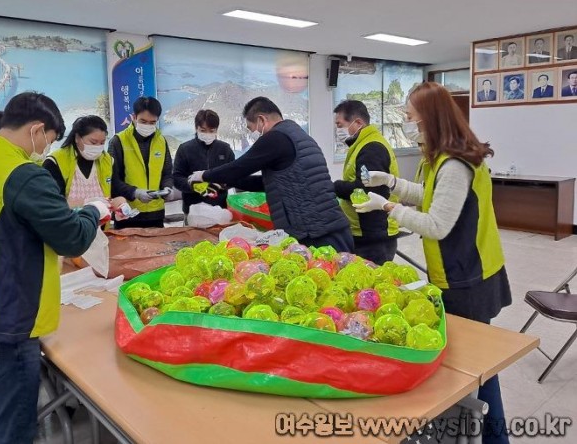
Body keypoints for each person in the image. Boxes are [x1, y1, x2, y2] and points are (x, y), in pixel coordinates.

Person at [0, 92, 111, 443]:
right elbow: (71, 239)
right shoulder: (23, 174)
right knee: (12, 430)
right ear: (37, 130)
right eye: (50, 140)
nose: (45, 149)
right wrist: (94, 211)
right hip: (2, 322)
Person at [354, 82, 512, 444]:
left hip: (468, 278)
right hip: (465, 272)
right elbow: (432, 197)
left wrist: (387, 207)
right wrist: (391, 183)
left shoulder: (454, 164)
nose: (408, 123)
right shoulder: (445, 158)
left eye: (411, 117)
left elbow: (437, 225)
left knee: (477, 371)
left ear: (430, 118)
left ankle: (495, 437)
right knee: (476, 368)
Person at [188, 97, 354, 252]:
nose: (252, 135)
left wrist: (204, 175)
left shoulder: (276, 137)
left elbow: (240, 166)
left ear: (261, 120)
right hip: (330, 228)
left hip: (317, 234)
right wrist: (230, 183)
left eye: (250, 129)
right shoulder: (296, 135)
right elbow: (271, 183)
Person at [332, 100, 399, 265]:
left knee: (370, 285)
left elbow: (368, 191)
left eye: (340, 125)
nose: (337, 130)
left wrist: (336, 187)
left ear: (358, 123)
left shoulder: (371, 148)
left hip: (373, 236)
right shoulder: (362, 144)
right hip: (365, 231)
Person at [108, 96, 175, 228]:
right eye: (143, 121)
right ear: (134, 117)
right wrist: (136, 193)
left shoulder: (161, 141)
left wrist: (168, 188)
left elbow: (167, 173)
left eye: (152, 123)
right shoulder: (118, 141)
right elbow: (113, 181)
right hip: (127, 212)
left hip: (156, 214)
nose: (148, 126)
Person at [43, 115, 125, 211]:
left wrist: (120, 202)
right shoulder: (55, 161)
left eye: (102, 143)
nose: (97, 147)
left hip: (99, 224)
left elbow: (114, 190)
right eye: (93, 142)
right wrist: (86, 203)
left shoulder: (107, 160)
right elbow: (51, 203)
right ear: (77, 138)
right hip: (67, 224)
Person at [173, 109, 235, 216]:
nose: (207, 134)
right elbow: (177, 179)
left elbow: (234, 176)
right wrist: (194, 185)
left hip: (219, 209)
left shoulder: (225, 149)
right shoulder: (185, 149)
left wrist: (220, 184)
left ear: (216, 130)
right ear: (196, 128)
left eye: (211, 131)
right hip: (192, 210)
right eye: (203, 130)